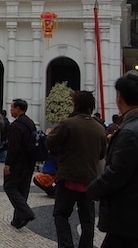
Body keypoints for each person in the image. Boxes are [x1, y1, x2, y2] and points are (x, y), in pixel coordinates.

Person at [86, 71, 138, 247]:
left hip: (126, 211)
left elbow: (117, 172)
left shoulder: (131, 130)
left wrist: (92, 190)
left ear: (119, 98)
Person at [46, 90, 107, 248]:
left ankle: (66, 245)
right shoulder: (99, 128)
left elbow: (50, 143)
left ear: (76, 104)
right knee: (87, 220)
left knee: (61, 214)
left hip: (68, 176)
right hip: (90, 179)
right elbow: (102, 154)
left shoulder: (68, 123)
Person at [3, 98, 36, 229]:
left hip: (18, 162)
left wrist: (7, 164)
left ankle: (26, 212)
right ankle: (17, 220)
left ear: (18, 108)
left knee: (9, 187)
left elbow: (13, 147)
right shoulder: (30, 123)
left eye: (12, 108)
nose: (10, 110)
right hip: (29, 161)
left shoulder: (16, 125)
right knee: (23, 189)